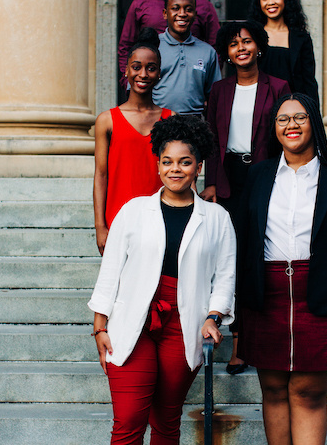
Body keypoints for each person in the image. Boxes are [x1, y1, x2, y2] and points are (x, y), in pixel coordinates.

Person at [88, 115, 236, 444]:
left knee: (167, 419)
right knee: (128, 419)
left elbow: (224, 280)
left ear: (198, 166)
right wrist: (100, 325)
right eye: (167, 161)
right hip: (131, 322)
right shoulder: (133, 210)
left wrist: (214, 317)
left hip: (184, 325)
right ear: (157, 166)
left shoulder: (217, 219)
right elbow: (110, 271)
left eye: (185, 162)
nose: (175, 169)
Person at [236, 93, 327, 444]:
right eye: (282, 119)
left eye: (299, 117)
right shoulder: (259, 175)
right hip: (266, 296)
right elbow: (244, 242)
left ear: (314, 122)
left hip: (322, 294)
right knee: (274, 389)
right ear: (274, 128)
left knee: (309, 393)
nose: (291, 125)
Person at [200, 20, 290, 374]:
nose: (241, 48)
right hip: (228, 179)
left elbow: (287, 134)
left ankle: (251, 340)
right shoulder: (219, 91)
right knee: (231, 258)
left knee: (256, 256)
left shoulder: (279, 87)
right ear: (226, 52)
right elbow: (210, 140)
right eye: (234, 43)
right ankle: (237, 338)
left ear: (259, 47)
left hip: (265, 176)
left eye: (248, 42)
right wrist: (211, 183)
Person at [93, 28, 173, 255]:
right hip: (118, 217)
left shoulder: (170, 118)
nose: (143, 74)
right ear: (126, 71)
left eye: (151, 68)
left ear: (159, 74)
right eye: (136, 67)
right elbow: (101, 174)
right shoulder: (107, 120)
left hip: (161, 215)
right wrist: (100, 225)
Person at [118, 0, 220, 89]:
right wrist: (129, 83)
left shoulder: (204, 7)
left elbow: (216, 47)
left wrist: (207, 87)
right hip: (147, 84)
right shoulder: (141, 4)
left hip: (190, 87)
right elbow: (126, 46)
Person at [248, 0, 320, 105]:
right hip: (259, 105)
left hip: (293, 107)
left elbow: (309, 80)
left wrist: (313, 114)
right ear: (259, 3)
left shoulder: (301, 38)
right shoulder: (252, 37)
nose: (270, 2)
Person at [152, 0, 221, 116]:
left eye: (188, 9)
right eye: (175, 8)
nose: (182, 14)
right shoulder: (152, 47)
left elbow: (214, 96)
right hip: (157, 121)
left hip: (194, 123)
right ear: (165, 13)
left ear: (195, 15)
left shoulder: (207, 52)